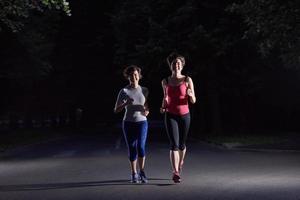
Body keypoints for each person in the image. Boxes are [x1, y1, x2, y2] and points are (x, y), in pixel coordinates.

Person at [160, 53, 196, 183]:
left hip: (185, 115)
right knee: (174, 145)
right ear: (171, 65)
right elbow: (165, 100)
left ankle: (180, 163)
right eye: (174, 63)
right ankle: (175, 172)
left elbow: (193, 101)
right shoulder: (165, 81)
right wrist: (163, 105)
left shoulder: (187, 79)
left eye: (179, 63)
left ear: (182, 65)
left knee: (182, 144)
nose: (176, 65)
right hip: (170, 115)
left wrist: (190, 94)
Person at [114, 65, 150, 183]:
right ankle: (134, 173)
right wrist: (125, 104)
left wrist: (147, 111)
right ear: (128, 77)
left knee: (141, 147)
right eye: (131, 75)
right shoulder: (124, 91)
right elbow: (116, 110)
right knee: (132, 148)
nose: (133, 77)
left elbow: (146, 106)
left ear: (139, 76)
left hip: (142, 122)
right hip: (128, 122)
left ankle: (142, 172)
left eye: (136, 75)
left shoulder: (144, 90)